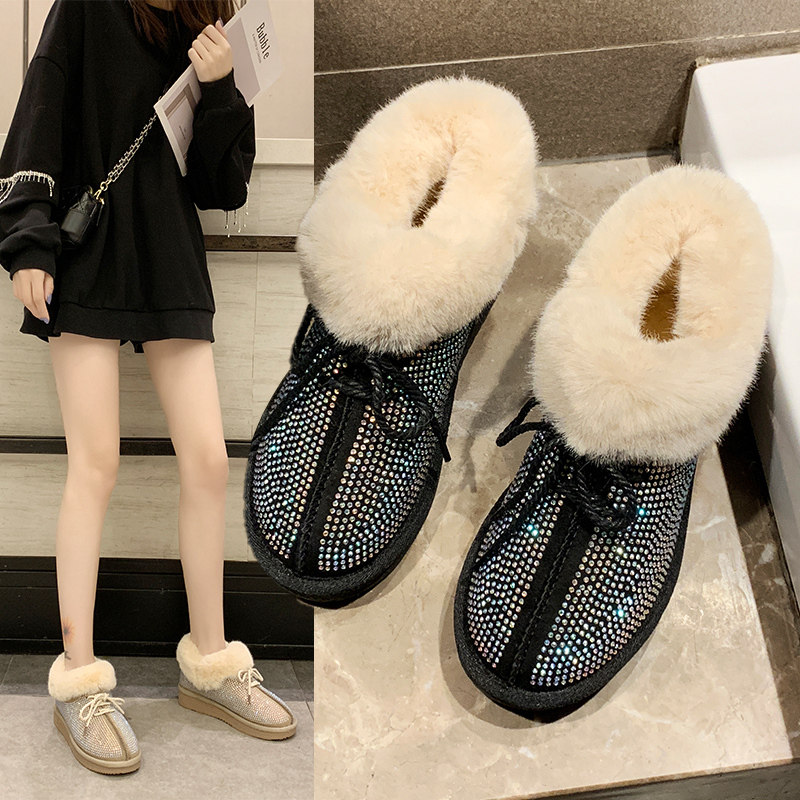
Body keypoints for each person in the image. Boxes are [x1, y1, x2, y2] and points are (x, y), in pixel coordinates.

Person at [0, 0, 295, 775]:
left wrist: (222, 85)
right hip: (88, 254)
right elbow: (40, 113)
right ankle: (79, 681)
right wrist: (28, 241)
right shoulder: (86, 9)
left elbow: (222, 186)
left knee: (207, 460)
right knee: (94, 464)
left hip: (168, 254)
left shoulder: (215, 25)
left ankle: (212, 663)